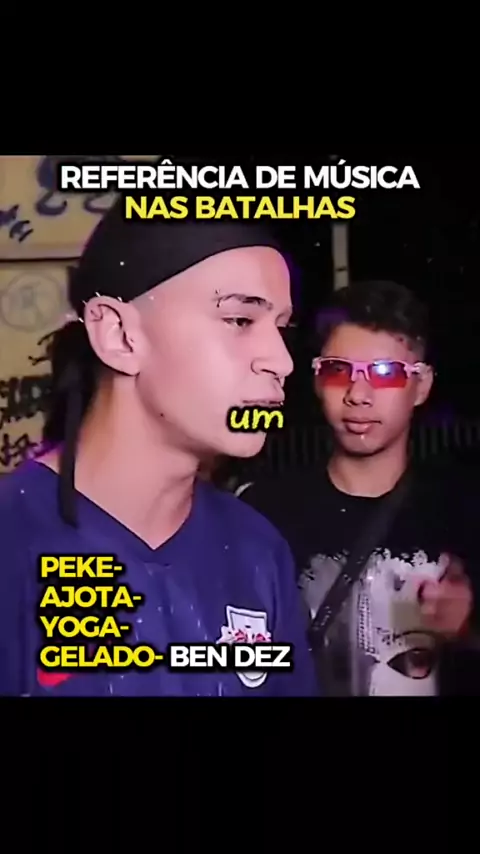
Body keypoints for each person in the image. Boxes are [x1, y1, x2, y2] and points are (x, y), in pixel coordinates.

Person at [0, 190, 318, 697]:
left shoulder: (258, 551)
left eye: (281, 328)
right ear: (119, 336)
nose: (280, 361)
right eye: (240, 320)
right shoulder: (13, 543)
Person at [239, 280, 479, 696]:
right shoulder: (261, 511)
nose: (358, 395)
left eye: (386, 374)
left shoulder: (463, 510)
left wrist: (466, 630)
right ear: (317, 380)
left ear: (421, 386)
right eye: (338, 370)